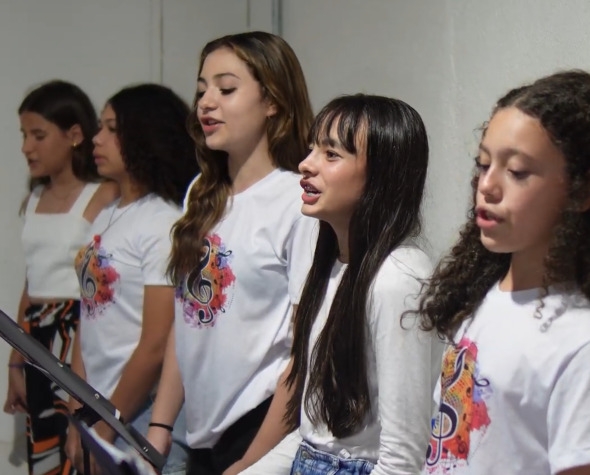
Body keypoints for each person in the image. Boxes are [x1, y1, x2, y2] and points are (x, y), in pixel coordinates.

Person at [238, 94, 441, 475]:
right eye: (313, 148)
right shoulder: (331, 264)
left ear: (382, 174)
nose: (306, 164)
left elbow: (402, 461)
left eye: (331, 154)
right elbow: (314, 435)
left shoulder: (399, 276)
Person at [144, 31, 316, 475]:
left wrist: (251, 461)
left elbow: (303, 354)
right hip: (201, 435)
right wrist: (161, 424)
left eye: (226, 88)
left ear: (272, 100)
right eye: (202, 89)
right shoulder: (201, 193)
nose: (206, 103)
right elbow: (187, 322)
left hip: (259, 430)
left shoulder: (296, 200)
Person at [418, 70, 590, 475]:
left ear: (581, 191)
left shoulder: (578, 342)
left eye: (517, 171)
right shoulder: (482, 299)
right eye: (483, 164)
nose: (487, 185)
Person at [66, 83, 199, 474]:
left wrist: (106, 425)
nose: (97, 138)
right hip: (97, 409)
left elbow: (156, 344)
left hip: (139, 415)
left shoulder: (162, 222)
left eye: (112, 129)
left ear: (144, 136)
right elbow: (88, 315)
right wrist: (79, 411)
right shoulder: (109, 214)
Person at [3, 80, 117, 475]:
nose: (26, 147)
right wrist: (15, 360)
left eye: (38, 135)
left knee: (79, 449)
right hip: (37, 336)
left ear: (74, 135)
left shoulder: (102, 196)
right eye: (23, 135)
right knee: (45, 452)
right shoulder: (34, 199)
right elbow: (32, 282)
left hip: (78, 333)